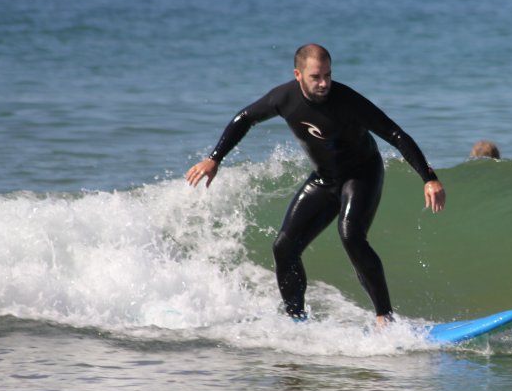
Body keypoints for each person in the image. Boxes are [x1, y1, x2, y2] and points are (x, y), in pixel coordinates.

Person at [186, 44, 446, 326]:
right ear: (298, 74)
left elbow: (395, 133)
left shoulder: (347, 100)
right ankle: (296, 320)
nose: (324, 83)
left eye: (328, 75)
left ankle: (384, 316)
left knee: (351, 236)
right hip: (325, 178)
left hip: (362, 174)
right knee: (284, 246)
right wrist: (215, 159)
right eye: (316, 77)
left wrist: (428, 178)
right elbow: (245, 118)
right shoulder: (283, 98)